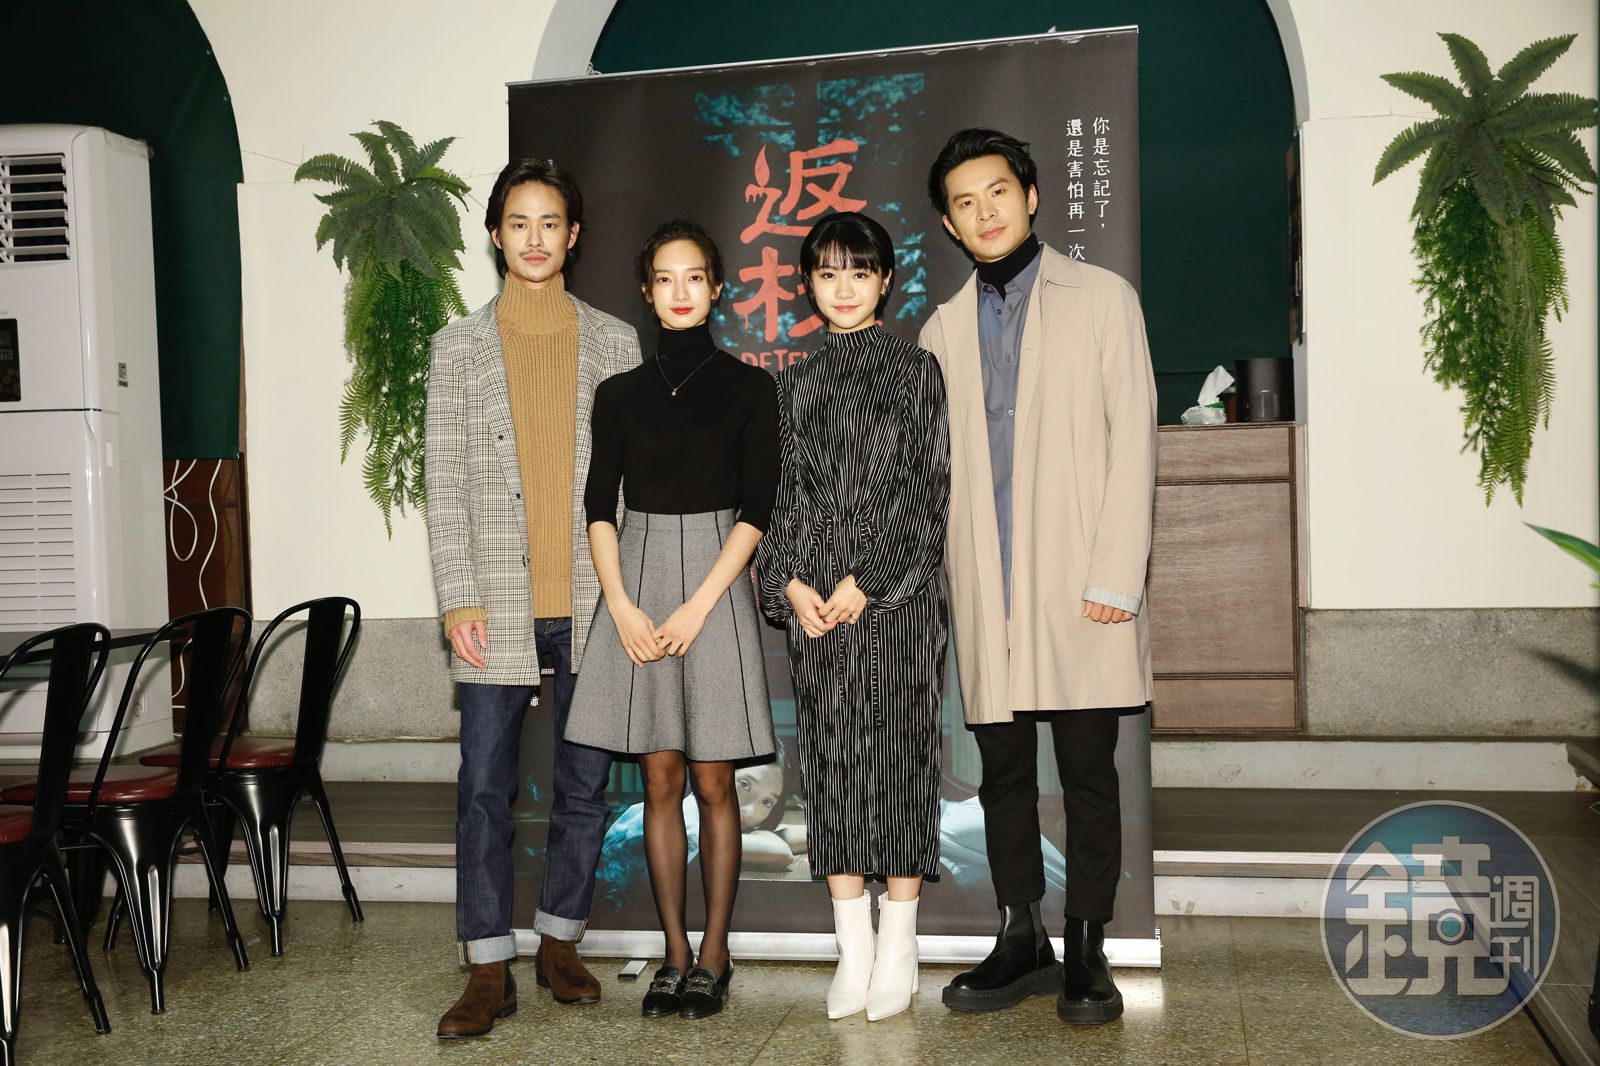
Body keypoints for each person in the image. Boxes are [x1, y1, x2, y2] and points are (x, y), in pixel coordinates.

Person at [920, 128, 1157, 1026]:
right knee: (1002, 774)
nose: (984, 212)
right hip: (989, 583)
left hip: (1080, 579)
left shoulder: (1103, 298)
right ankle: (1021, 934)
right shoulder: (941, 329)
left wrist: (1117, 576)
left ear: (1031, 196)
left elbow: (1134, 442)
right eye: (965, 202)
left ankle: (1088, 943)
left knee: (1090, 770)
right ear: (950, 224)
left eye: (997, 192)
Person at [425, 158, 641, 1039]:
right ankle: (487, 967)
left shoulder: (616, 343)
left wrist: (629, 594)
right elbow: (444, 484)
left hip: (592, 598)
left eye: (551, 222)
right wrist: (457, 599)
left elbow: (631, 484)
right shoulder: (457, 347)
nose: (535, 238)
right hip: (495, 606)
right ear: (496, 235)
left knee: (583, 787)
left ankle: (559, 943)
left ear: (573, 235)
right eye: (519, 223)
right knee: (483, 788)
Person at [563, 219, 779, 1020]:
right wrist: (621, 604)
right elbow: (599, 506)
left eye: (695, 277)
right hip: (639, 578)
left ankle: (715, 955)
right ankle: (674, 953)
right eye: (665, 278)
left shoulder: (752, 387)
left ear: (716, 288)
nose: (680, 291)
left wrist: (700, 603)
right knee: (658, 777)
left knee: (714, 779)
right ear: (647, 292)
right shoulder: (618, 394)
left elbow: (757, 509)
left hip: (716, 584)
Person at [755, 211, 950, 1023]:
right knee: (831, 761)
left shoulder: (916, 370)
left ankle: (900, 941)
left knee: (902, 756)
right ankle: (853, 946)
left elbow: (929, 493)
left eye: (860, 271)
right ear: (808, 283)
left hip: (896, 603)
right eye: (829, 272)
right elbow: (779, 498)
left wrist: (868, 582)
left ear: (885, 281)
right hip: (819, 611)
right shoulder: (792, 384)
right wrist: (790, 584)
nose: (844, 287)